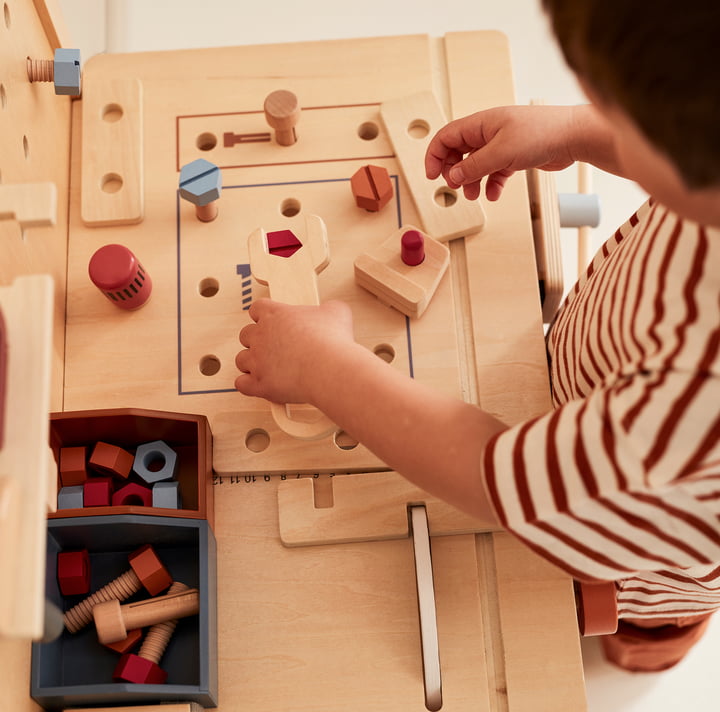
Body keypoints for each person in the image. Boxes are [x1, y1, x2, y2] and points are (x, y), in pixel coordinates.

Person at [235, 0, 720, 672]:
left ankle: (654, 642)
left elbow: (497, 480)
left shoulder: (689, 415)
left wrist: (322, 367)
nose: (605, 117)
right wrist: (579, 133)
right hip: (603, 392)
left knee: (637, 613)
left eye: (620, 117)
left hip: (638, 540)